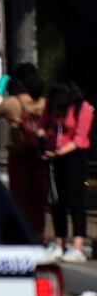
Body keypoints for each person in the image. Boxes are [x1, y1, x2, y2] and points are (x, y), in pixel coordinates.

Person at [0, 63, 50, 237]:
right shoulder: (45, 103)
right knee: (38, 198)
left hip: (19, 154)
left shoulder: (13, 103)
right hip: (41, 155)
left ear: (20, 82)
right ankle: (39, 234)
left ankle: (22, 233)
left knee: (20, 197)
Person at [43, 80, 92, 262]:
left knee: (75, 200)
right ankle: (58, 242)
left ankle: (77, 244)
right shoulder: (53, 105)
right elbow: (45, 125)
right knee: (57, 201)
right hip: (55, 156)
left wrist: (59, 151)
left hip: (74, 156)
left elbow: (80, 137)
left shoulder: (82, 108)